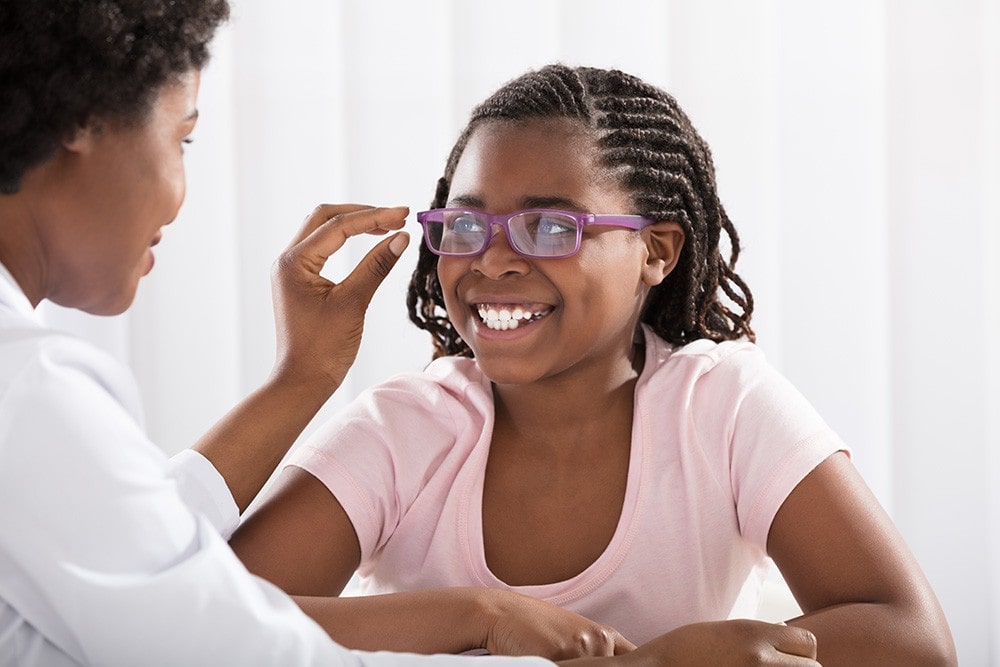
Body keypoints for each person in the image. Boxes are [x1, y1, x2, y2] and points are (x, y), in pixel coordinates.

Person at [228, 64, 958, 666]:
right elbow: (207, 623)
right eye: (466, 223)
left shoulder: (721, 406)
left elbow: (916, 641)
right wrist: (478, 616)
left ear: (657, 251)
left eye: (551, 226)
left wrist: (664, 661)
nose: (495, 258)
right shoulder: (405, 430)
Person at [0, 4, 606, 666]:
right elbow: (217, 645)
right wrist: (491, 621)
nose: (180, 194)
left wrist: (303, 376)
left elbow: (117, 550)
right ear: (81, 118)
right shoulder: (25, 387)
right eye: (183, 139)